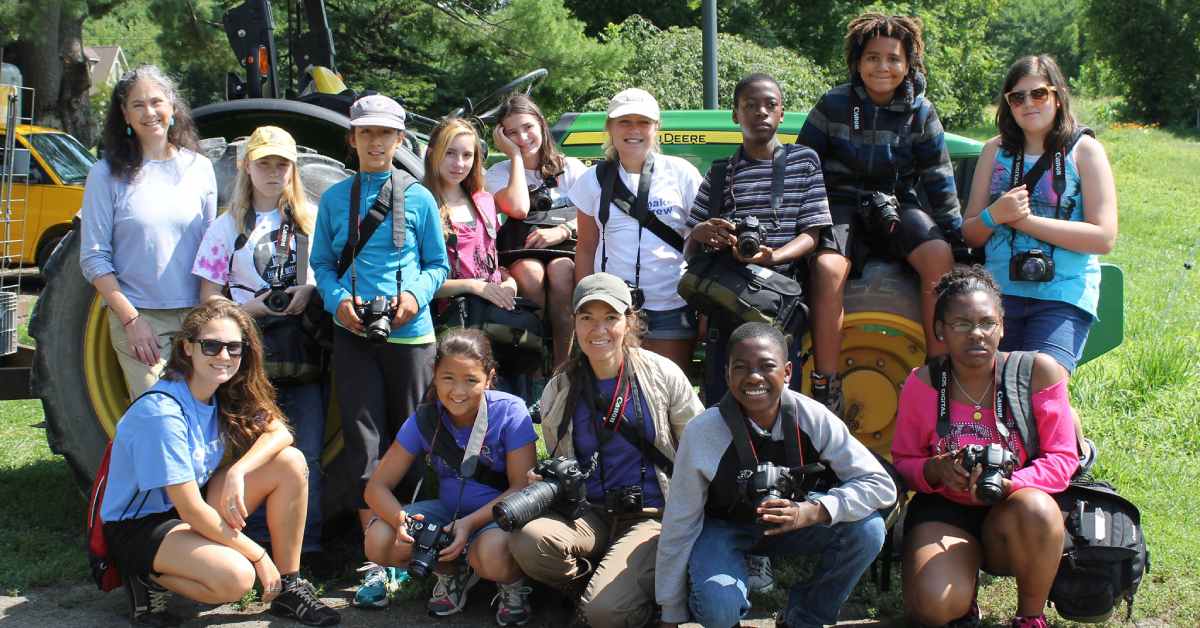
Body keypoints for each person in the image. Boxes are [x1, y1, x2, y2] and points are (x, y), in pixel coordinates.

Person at [100, 298, 339, 627]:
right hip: (140, 526)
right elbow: (190, 510)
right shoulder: (163, 412)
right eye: (211, 346)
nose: (224, 356)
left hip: (188, 507)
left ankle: (289, 586)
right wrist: (257, 554)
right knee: (238, 578)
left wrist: (239, 471)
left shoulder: (222, 391)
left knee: (290, 462)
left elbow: (280, 432)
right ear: (187, 348)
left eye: (233, 347)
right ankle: (145, 576)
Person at [656, 322, 894, 628]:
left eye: (767, 366)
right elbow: (680, 523)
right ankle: (719, 604)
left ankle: (805, 617)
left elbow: (880, 485)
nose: (754, 377)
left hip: (795, 521)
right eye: (741, 367)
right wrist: (670, 613)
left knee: (867, 530)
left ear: (788, 372)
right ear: (727, 374)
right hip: (725, 529)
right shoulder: (702, 432)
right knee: (718, 608)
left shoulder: (812, 417)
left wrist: (815, 510)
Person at [308, 94, 450, 607]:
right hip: (353, 334)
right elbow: (321, 264)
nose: (374, 141)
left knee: (411, 439)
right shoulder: (332, 199)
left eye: (384, 133)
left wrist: (413, 295)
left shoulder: (420, 198)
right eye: (365, 132)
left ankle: (412, 547)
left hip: (411, 337)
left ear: (399, 140)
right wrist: (339, 300)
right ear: (352, 138)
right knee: (363, 442)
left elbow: (437, 263)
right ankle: (376, 553)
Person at [507, 272, 704, 628]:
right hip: (589, 513)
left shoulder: (662, 374)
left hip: (650, 514)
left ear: (629, 321)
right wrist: (548, 473)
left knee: (604, 612)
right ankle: (598, 591)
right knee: (527, 541)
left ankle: (612, 602)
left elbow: (700, 445)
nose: (599, 330)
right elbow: (556, 454)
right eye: (587, 318)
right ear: (575, 323)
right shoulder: (560, 387)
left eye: (610, 318)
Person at [891, 266, 1078, 628]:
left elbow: (1062, 458)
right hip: (946, 508)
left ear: (1002, 327)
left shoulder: (1038, 372)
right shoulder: (924, 383)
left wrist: (1013, 484)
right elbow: (904, 460)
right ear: (940, 331)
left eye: (986, 323)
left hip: (1012, 510)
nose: (976, 334)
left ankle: (1029, 616)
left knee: (1038, 507)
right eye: (961, 324)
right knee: (933, 608)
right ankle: (963, 601)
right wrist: (936, 469)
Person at [798, 13, 961, 417]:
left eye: (893, 58)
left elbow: (938, 178)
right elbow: (804, 165)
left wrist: (957, 237)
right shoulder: (834, 104)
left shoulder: (921, 111)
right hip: (842, 202)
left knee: (938, 257)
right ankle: (827, 383)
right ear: (857, 61)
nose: (882, 67)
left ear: (909, 63)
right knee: (828, 268)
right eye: (872, 58)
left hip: (895, 202)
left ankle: (941, 374)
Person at [961, 55, 1117, 459]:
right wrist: (997, 214)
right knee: (990, 386)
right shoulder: (995, 151)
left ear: (1058, 96)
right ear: (1007, 104)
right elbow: (971, 230)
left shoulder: (1085, 151)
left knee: (1039, 381)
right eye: (1016, 97)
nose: (1028, 103)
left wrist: (1024, 223)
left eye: (1039, 93)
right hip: (999, 292)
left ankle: (1073, 456)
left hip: (1063, 292)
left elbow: (1103, 237)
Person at [191, 125, 326, 559]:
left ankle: (307, 544)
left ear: (292, 170)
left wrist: (310, 293)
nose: (272, 172)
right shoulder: (225, 228)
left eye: (281, 164)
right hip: (248, 354)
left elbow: (331, 277)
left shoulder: (314, 219)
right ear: (246, 167)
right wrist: (258, 309)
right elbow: (208, 302)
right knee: (249, 449)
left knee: (307, 449)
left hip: (304, 352)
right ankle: (252, 544)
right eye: (264, 162)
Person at [362, 329, 537, 626]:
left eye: (471, 380)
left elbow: (522, 487)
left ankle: (512, 586)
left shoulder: (510, 411)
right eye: (448, 378)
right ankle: (451, 574)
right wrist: (401, 522)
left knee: (491, 554)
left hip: (497, 516)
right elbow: (376, 488)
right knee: (379, 540)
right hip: (447, 512)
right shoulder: (425, 419)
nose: (458, 391)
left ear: (489, 378)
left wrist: (468, 525)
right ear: (434, 373)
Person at [687, 72, 833, 404]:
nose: (761, 113)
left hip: (778, 299)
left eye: (770, 105)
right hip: (728, 298)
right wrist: (703, 231)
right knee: (724, 396)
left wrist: (773, 256)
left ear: (782, 113)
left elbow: (812, 233)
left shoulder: (803, 161)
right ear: (735, 114)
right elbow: (692, 239)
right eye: (750, 105)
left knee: (779, 397)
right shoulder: (721, 171)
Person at [80, 64, 217, 397]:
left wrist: (207, 320)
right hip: (141, 319)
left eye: (156, 101)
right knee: (158, 413)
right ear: (125, 115)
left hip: (195, 316)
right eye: (137, 105)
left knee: (203, 415)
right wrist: (131, 320)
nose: (149, 112)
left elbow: (213, 249)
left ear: (171, 105)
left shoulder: (200, 168)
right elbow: (94, 258)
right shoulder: (104, 175)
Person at [570, 88, 704, 375]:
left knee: (668, 390)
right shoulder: (591, 180)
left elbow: (700, 240)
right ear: (610, 128)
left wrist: (703, 305)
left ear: (657, 127)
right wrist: (582, 302)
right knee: (614, 393)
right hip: (611, 308)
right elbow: (586, 245)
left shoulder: (682, 173)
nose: (634, 130)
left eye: (643, 122)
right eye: (624, 122)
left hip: (672, 302)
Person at [486, 94, 588, 368]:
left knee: (562, 271)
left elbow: (594, 214)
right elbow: (518, 209)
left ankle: (562, 365)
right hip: (522, 249)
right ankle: (534, 359)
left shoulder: (572, 168)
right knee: (531, 274)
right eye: (512, 133)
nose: (522, 137)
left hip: (564, 246)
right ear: (502, 137)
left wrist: (564, 230)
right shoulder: (498, 172)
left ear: (541, 124)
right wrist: (515, 158)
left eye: (527, 127)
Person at [426, 117, 519, 311]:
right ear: (431, 154)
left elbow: (491, 262)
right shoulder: (422, 204)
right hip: (452, 319)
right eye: (449, 153)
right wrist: (473, 286)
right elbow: (418, 281)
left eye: (467, 155)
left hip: (493, 313)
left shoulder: (484, 200)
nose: (459, 163)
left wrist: (509, 282)